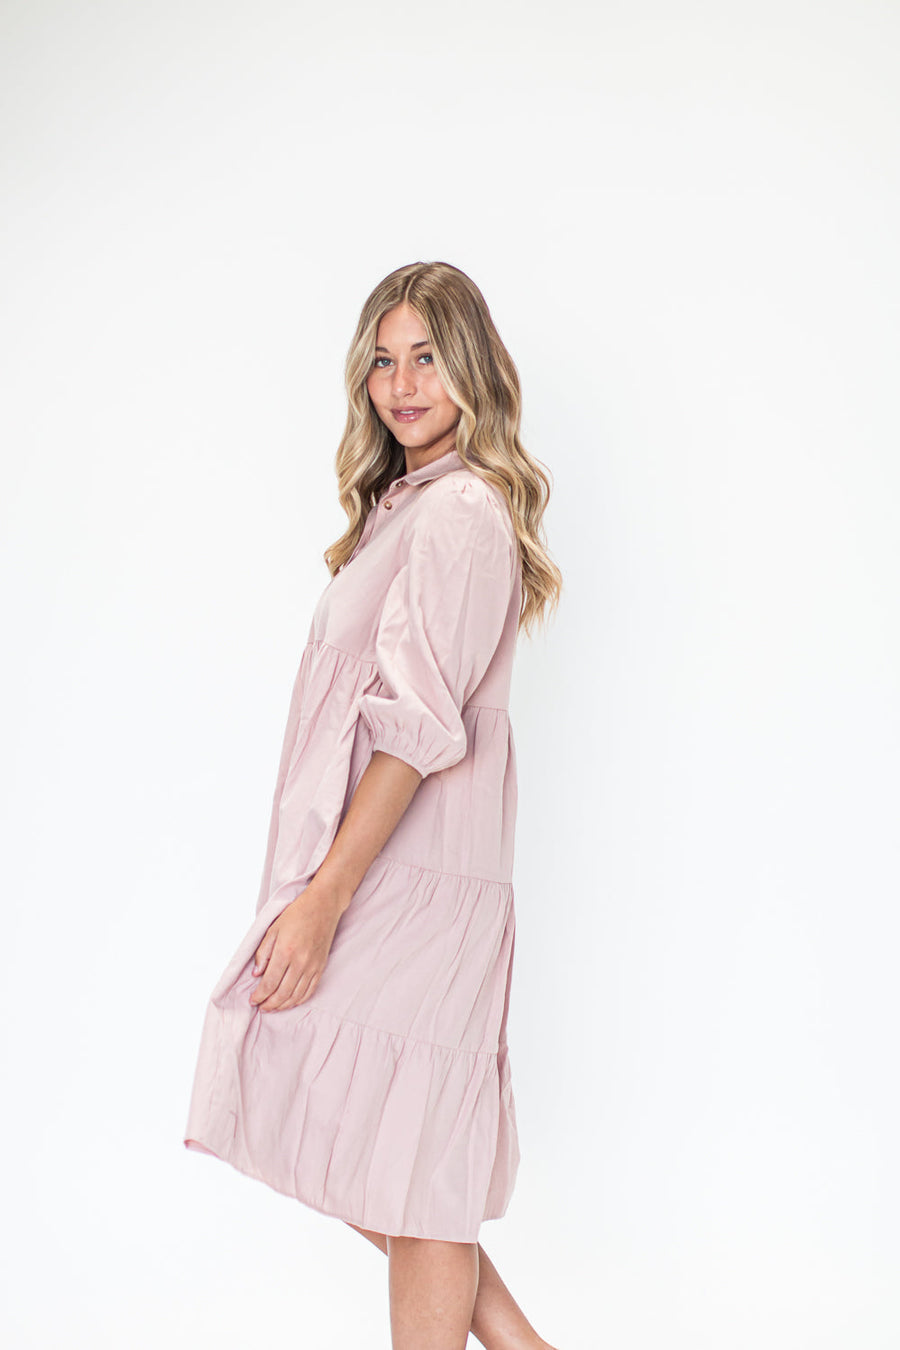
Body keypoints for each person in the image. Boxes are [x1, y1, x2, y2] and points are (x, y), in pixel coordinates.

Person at [183, 260, 563, 1349]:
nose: (402, 385)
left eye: (427, 358)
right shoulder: (410, 508)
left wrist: (325, 899)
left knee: (408, 1156)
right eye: (384, 362)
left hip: (410, 881)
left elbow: (414, 730)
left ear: (471, 366)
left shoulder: (461, 513)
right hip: (391, 872)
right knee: (396, 1154)